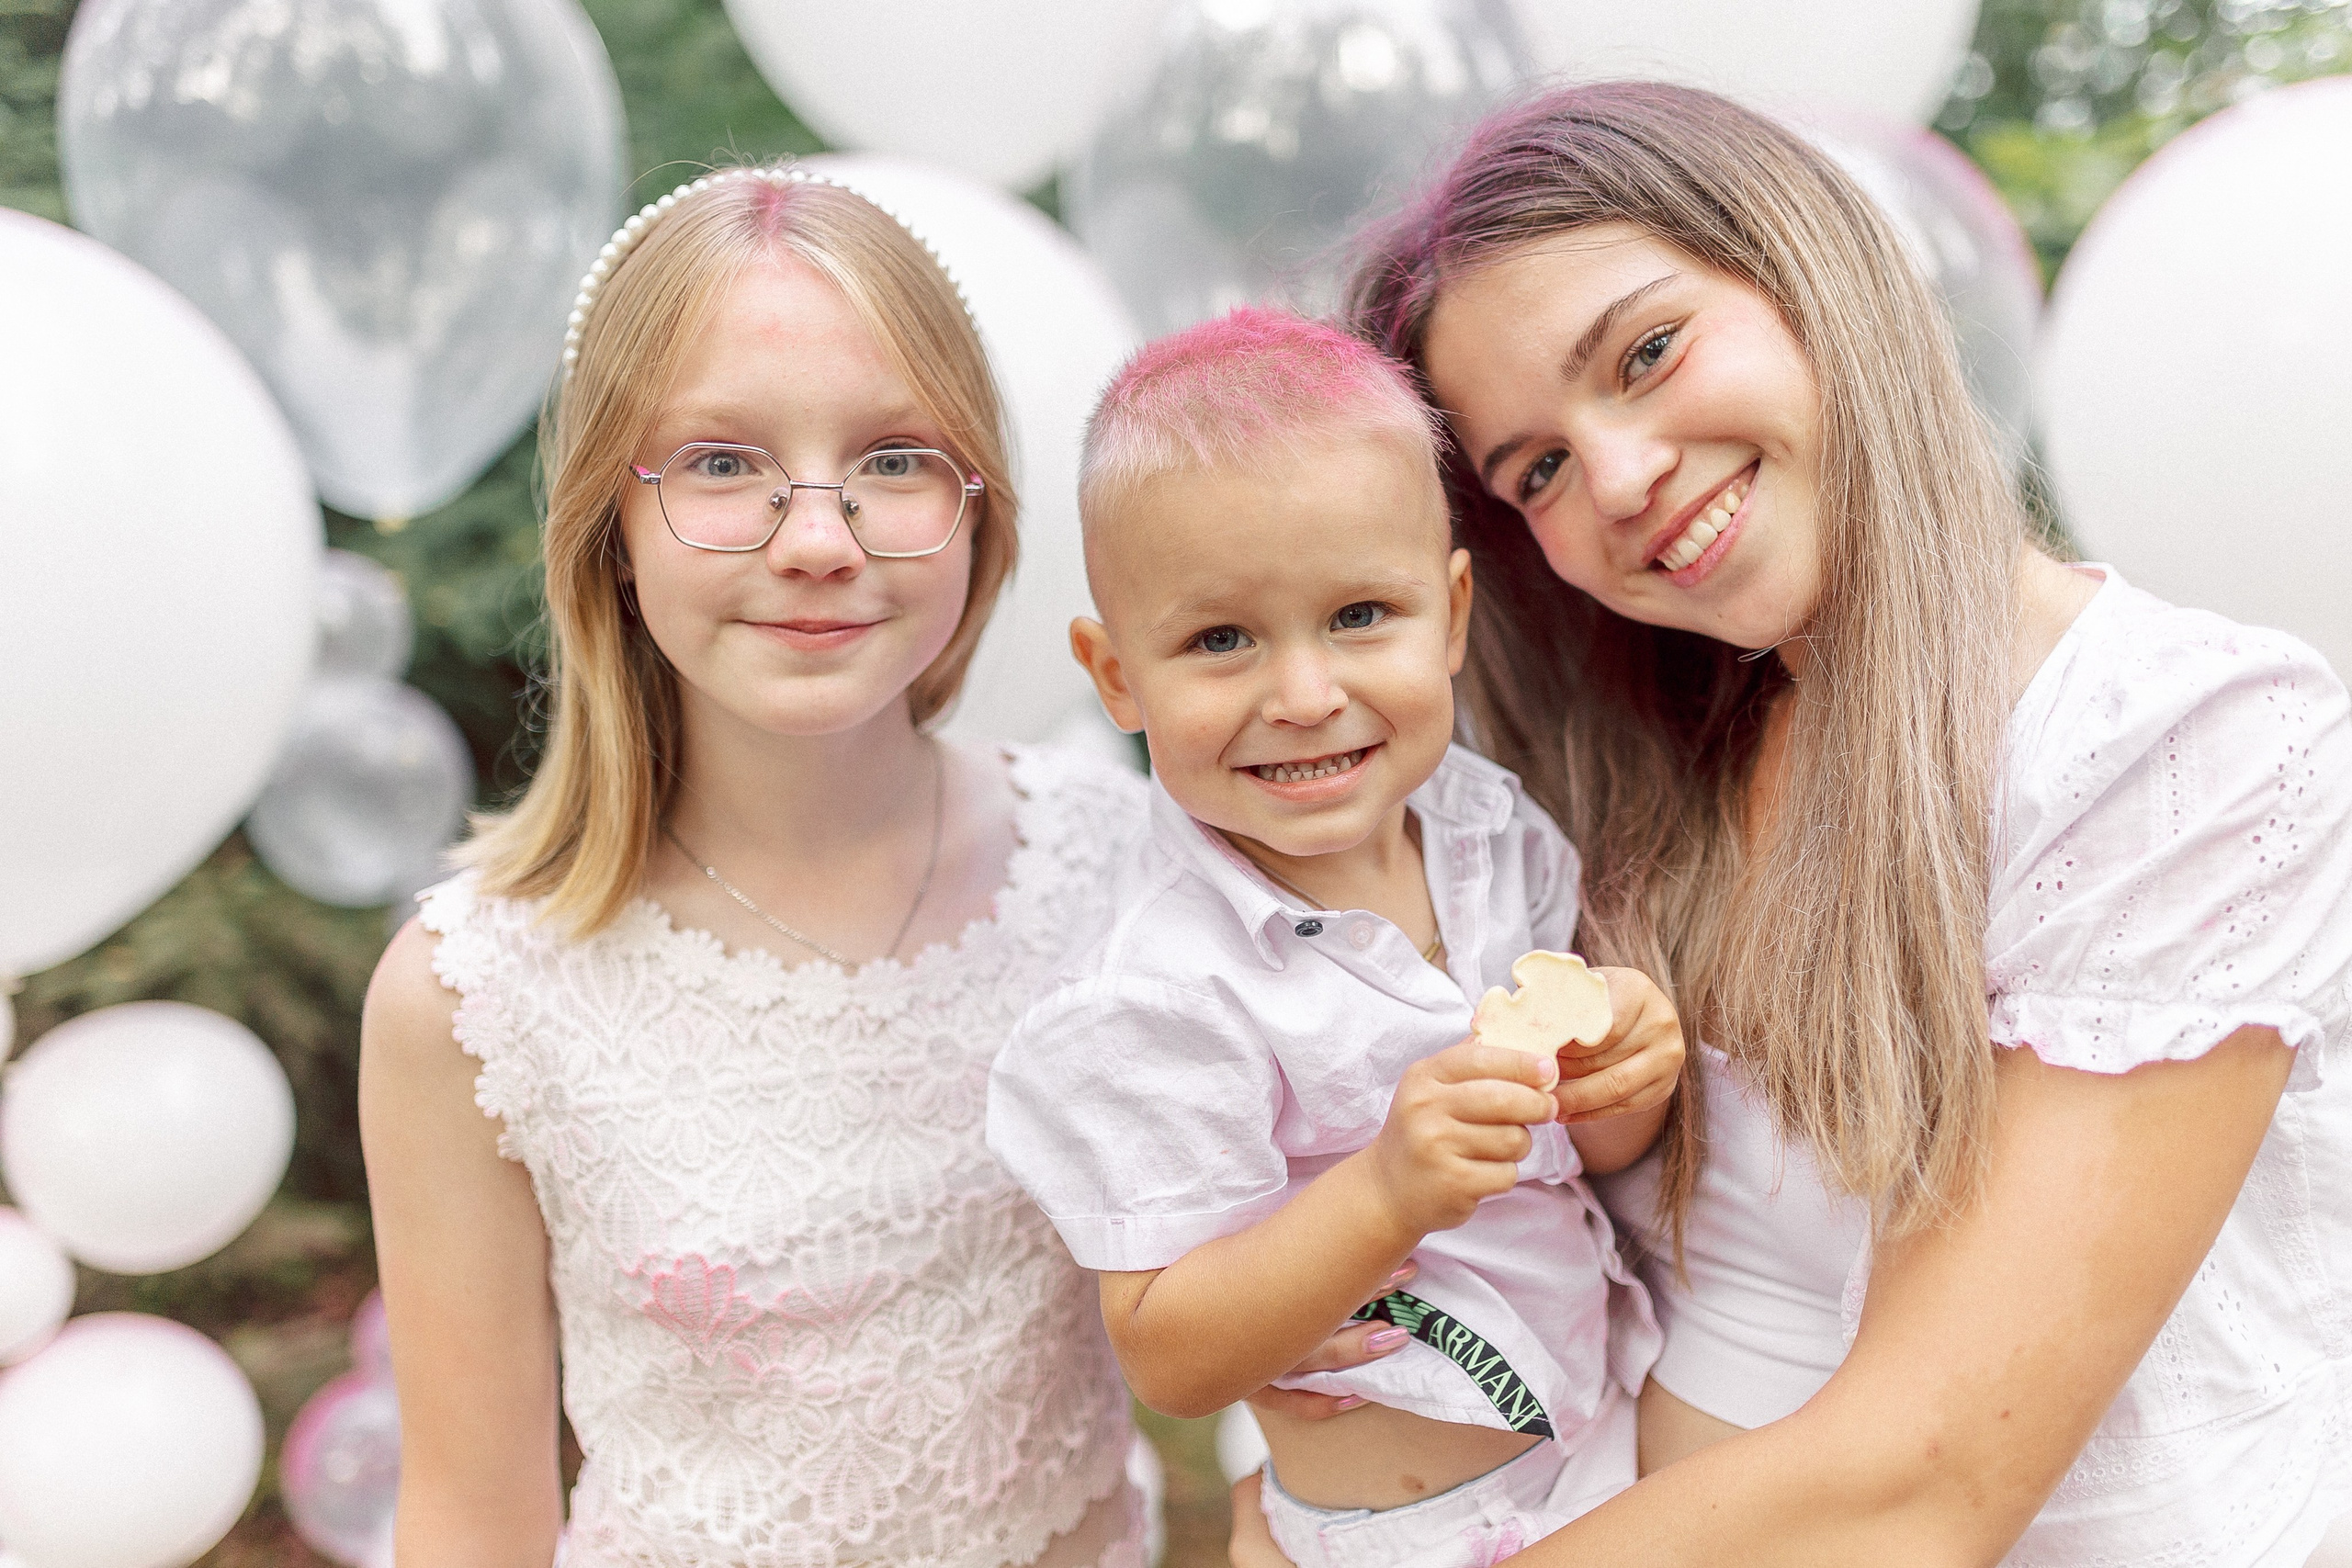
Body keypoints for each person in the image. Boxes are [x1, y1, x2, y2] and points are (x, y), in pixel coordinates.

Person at [1232, 82, 2352, 1566]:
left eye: (1646, 353)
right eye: (1538, 469)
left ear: (1807, 264)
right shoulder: (1652, 776)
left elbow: (1926, 1480)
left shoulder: (2177, 738)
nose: (1619, 480)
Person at [359, 164, 1150, 1568]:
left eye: (894, 459)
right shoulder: (472, 998)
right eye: (722, 464)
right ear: (611, 522)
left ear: (978, 503)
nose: (819, 542)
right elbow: (474, 1518)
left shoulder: (1117, 862)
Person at [988, 308, 1685, 1568]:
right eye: (1221, 640)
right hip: (1411, 1531)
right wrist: (1382, 1191)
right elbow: (1171, 1354)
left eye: (1362, 614)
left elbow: (1587, 1153)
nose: (1307, 697)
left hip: (1611, 1450)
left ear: (1452, 615)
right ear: (1117, 675)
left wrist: (1622, 1073)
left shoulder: (1489, 832)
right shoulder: (1157, 989)